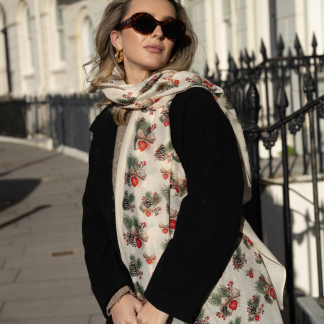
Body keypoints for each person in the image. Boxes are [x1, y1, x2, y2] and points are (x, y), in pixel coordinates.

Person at [82, 0, 286, 323]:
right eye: (144, 22)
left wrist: (163, 302)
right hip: (136, 309)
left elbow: (214, 205)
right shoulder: (109, 123)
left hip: (212, 300)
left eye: (170, 26)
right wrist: (115, 295)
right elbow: (95, 223)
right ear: (116, 38)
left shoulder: (194, 103)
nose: (159, 32)